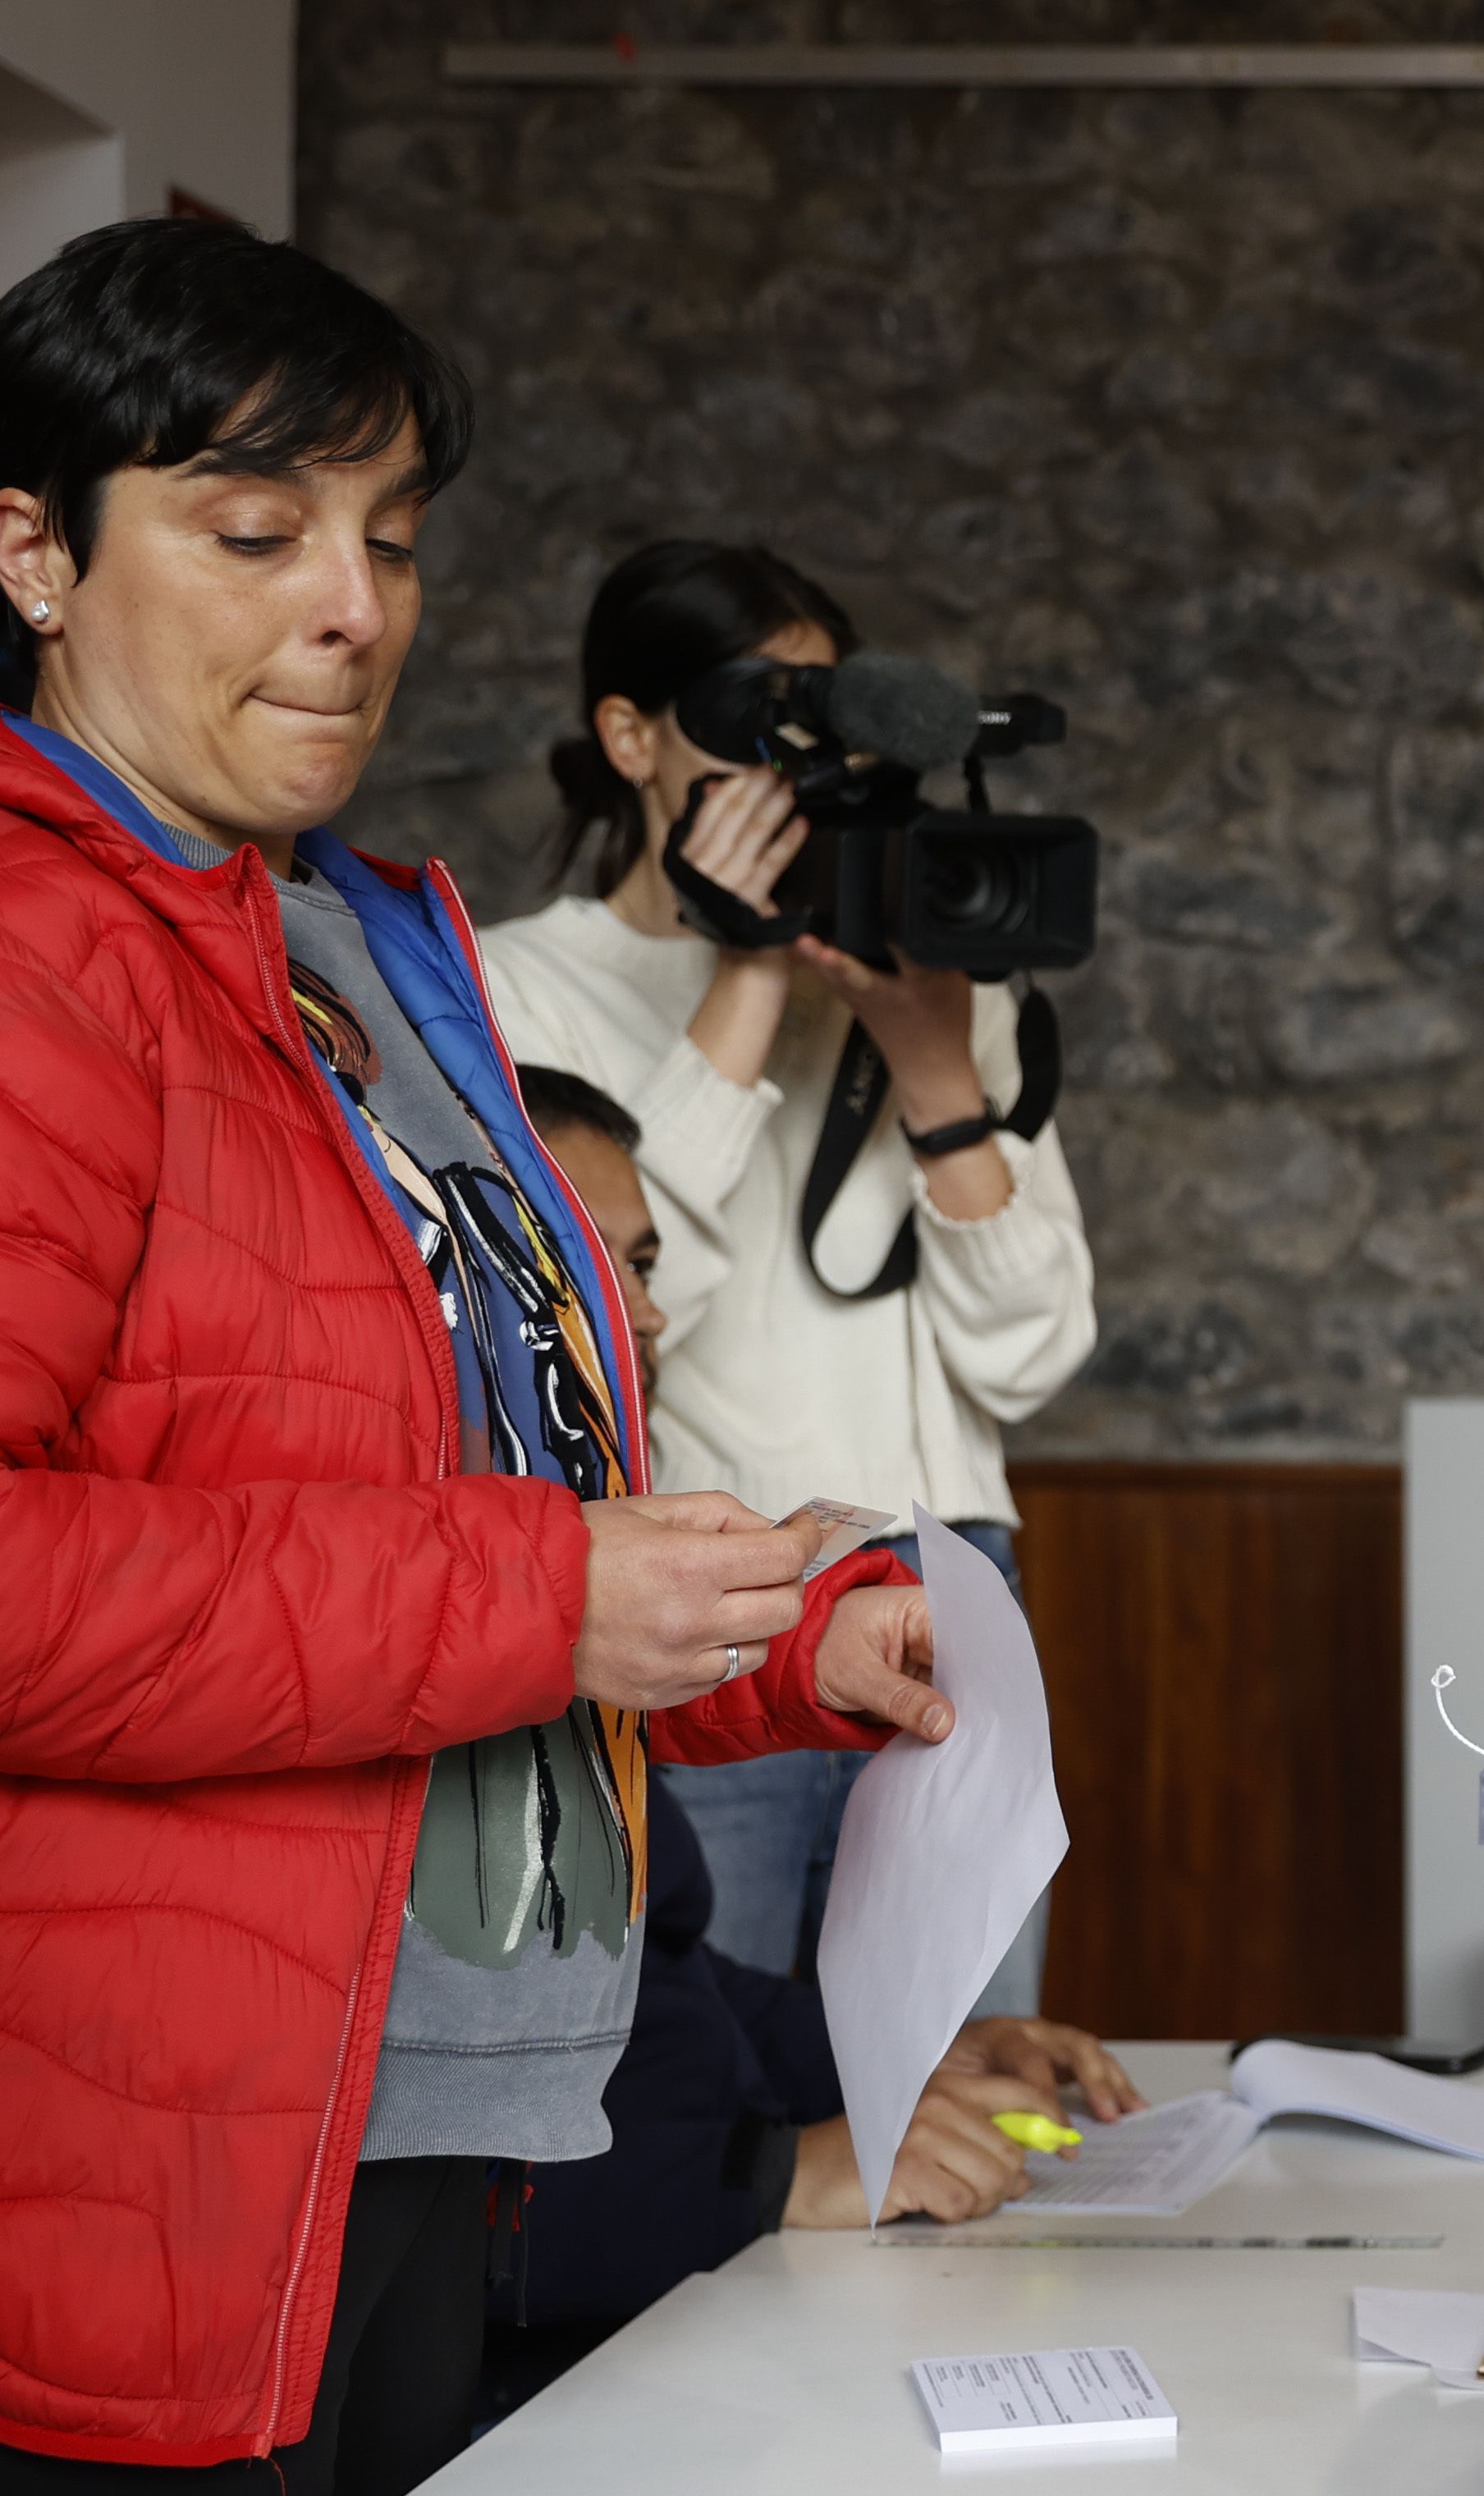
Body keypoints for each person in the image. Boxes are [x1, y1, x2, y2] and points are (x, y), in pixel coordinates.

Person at [0, 220, 955, 2496]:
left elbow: (439, 1483)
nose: (353, 605)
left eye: (392, 532)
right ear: (33, 549)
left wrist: (764, 1646)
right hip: (100, 2196)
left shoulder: (333, 946)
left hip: (409, 2133)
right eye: (253, 530)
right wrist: (545, 1600)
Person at [483, 541, 1097, 2008]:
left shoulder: (930, 975)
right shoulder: (512, 985)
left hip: (951, 1577)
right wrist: (748, 972)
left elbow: (1033, 1353)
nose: (800, 762)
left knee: (952, 2076)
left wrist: (938, 1065)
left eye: (826, 718)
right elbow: (599, 1328)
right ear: (630, 736)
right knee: (722, 2081)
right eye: (758, 719)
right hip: (709, 1603)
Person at [488, 1066, 1139, 2412]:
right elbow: (478, 2138)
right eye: (597, 1262)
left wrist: (896, 2061)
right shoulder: (455, 1638)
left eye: (650, 1262)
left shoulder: (577, 1618)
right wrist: (781, 2177)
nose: (651, 1311)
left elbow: (663, 1986)